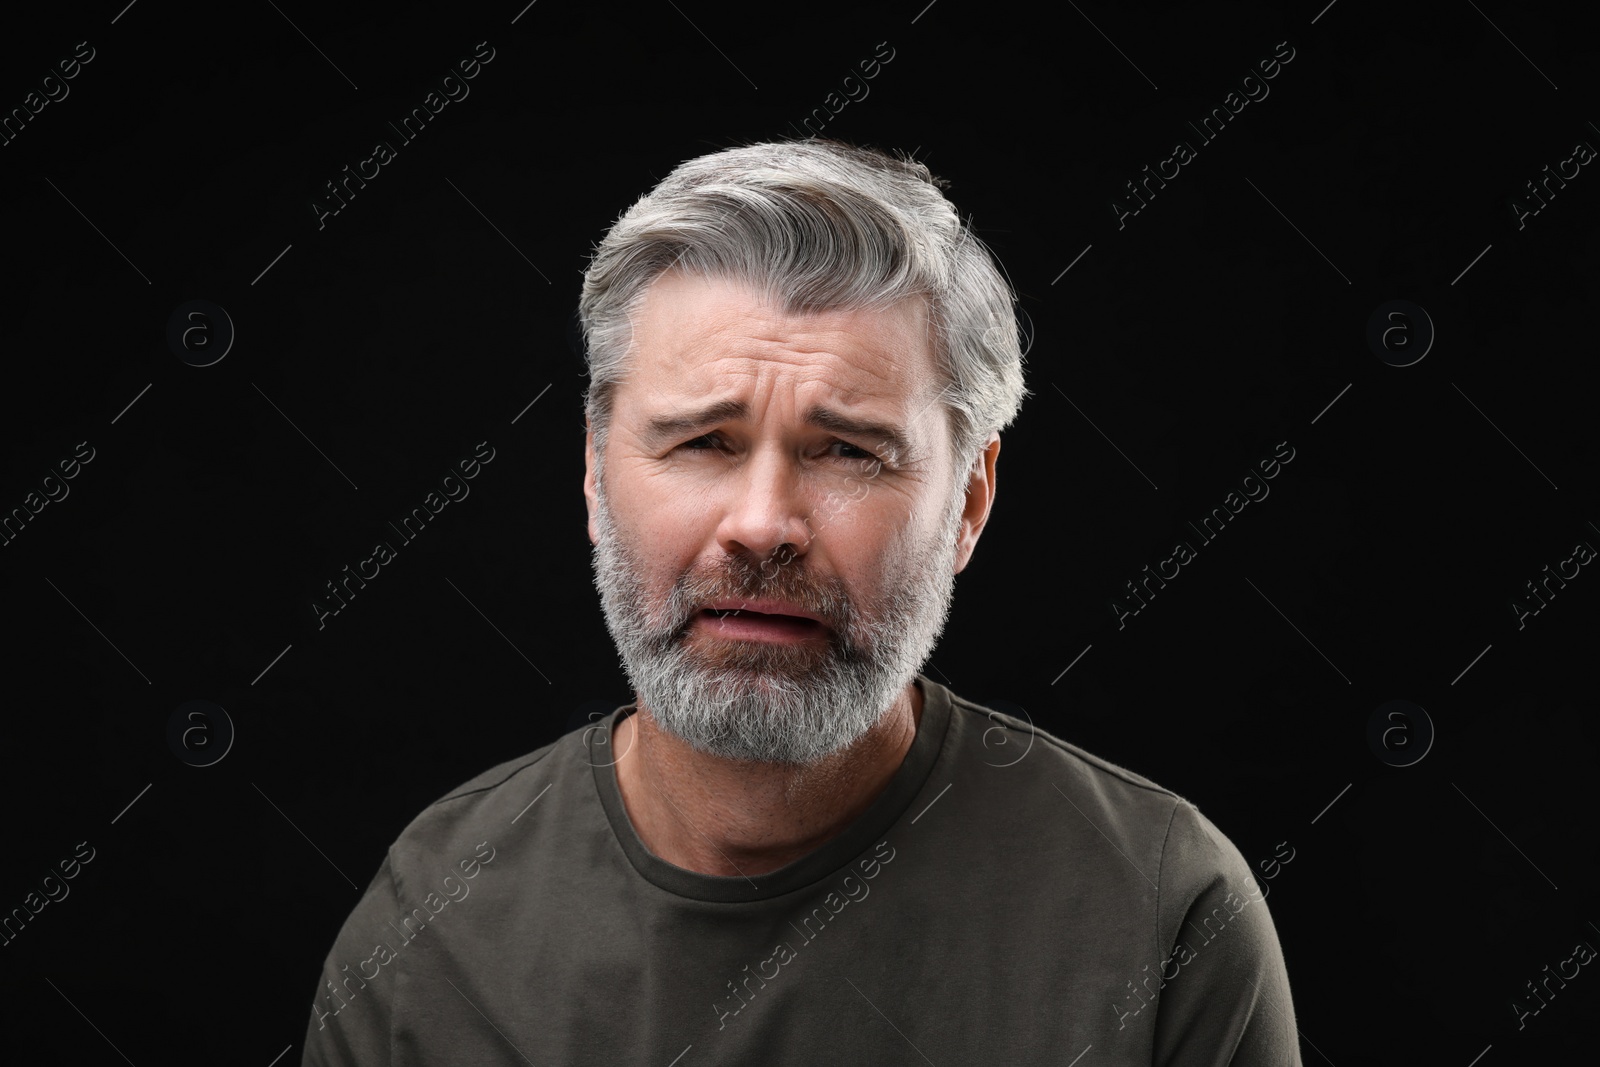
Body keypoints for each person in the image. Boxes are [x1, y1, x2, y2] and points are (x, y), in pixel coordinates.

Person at [301, 138, 1302, 1065]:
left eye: (848, 450)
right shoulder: (432, 925)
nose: (762, 522)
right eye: (703, 441)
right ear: (597, 475)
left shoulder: (1163, 909)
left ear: (970, 501)